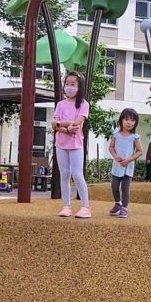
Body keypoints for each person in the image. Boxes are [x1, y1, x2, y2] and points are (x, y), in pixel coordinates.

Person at [51, 71, 92, 218]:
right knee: (65, 174)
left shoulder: (83, 104)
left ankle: (86, 206)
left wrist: (61, 125)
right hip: (60, 144)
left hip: (76, 145)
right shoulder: (60, 104)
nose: (69, 87)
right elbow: (53, 125)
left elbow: (77, 124)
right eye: (67, 84)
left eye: (73, 84)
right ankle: (66, 205)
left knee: (77, 174)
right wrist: (65, 128)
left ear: (79, 86)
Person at [108, 109, 143, 219]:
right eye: (127, 119)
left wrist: (129, 160)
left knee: (125, 188)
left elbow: (139, 151)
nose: (129, 122)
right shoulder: (116, 134)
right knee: (114, 186)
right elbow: (111, 147)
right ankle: (118, 203)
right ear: (121, 120)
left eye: (132, 120)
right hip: (117, 165)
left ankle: (124, 207)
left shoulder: (135, 137)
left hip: (128, 167)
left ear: (135, 123)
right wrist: (115, 156)